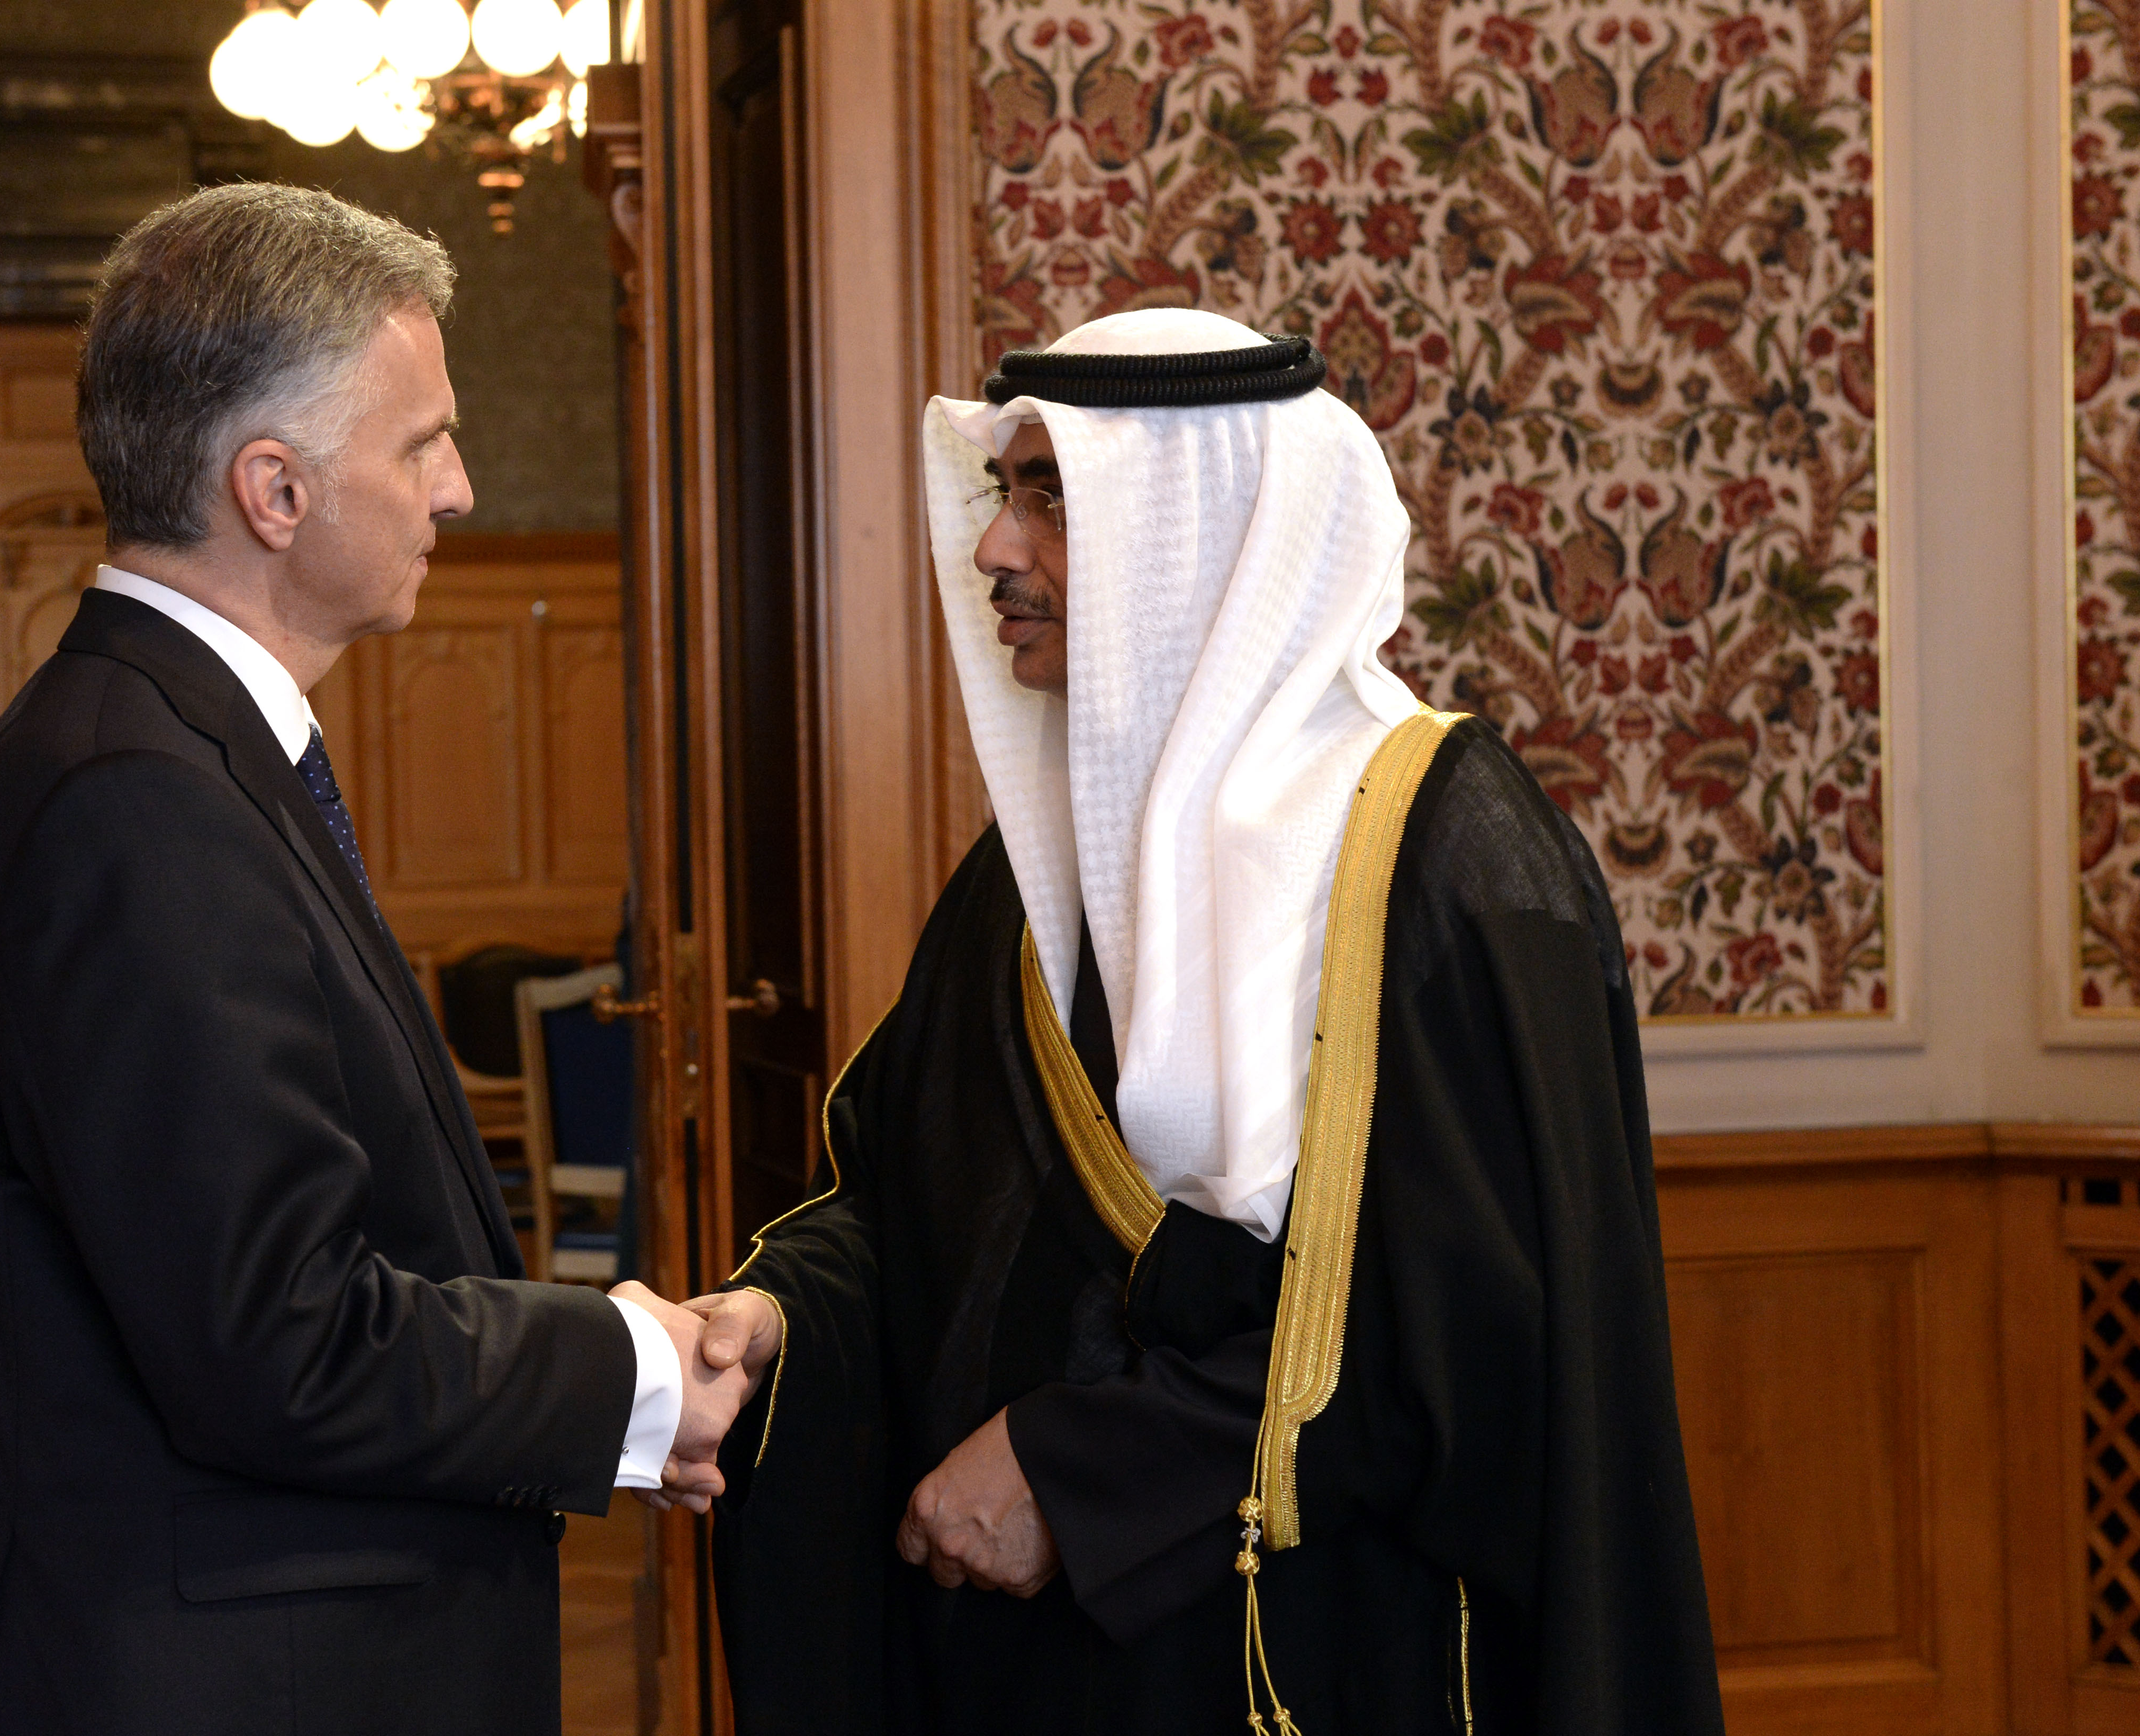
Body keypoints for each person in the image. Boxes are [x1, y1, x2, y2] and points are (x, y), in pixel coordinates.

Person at [674, 309, 1725, 1733]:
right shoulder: (1041, 860)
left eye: (1053, 497)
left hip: (1319, 1649)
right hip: (1028, 1662)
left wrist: (1076, 1470)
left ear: (1199, 528)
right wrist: (778, 1314)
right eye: (1008, 492)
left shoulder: (1445, 857)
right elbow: (925, 1193)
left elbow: (1475, 1338)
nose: (995, 548)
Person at [0, 183, 744, 1736]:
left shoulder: (175, 757)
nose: (464, 490)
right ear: (274, 491)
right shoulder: (136, 803)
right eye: (423, 444)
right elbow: (275, 1340)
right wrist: (625, 1364)